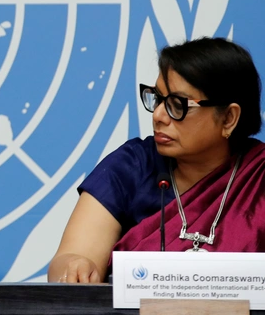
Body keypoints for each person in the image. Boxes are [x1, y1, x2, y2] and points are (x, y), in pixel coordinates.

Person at [48, 37, 264, 283]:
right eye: (157, 99)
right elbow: (71, 256)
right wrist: (75, 265)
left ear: (228, 118)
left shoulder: (259, 174)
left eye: (177, 105)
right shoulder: (132, 166)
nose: (159, 116)